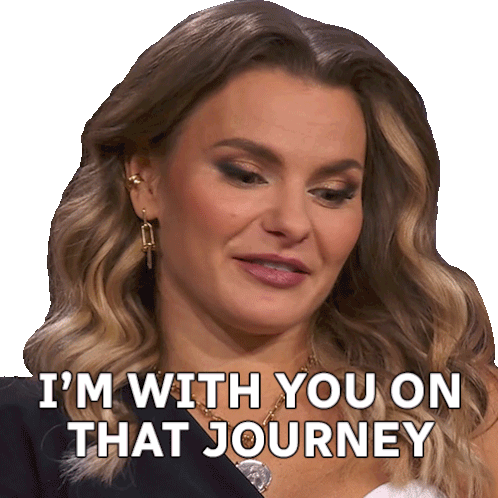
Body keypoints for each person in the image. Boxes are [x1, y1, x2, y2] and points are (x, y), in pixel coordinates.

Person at [0, 1, 496, 497]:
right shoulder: (33, 436)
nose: (292, 223)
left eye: (331, 193)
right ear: (145, 180)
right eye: (245, 175)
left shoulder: (461, 417)